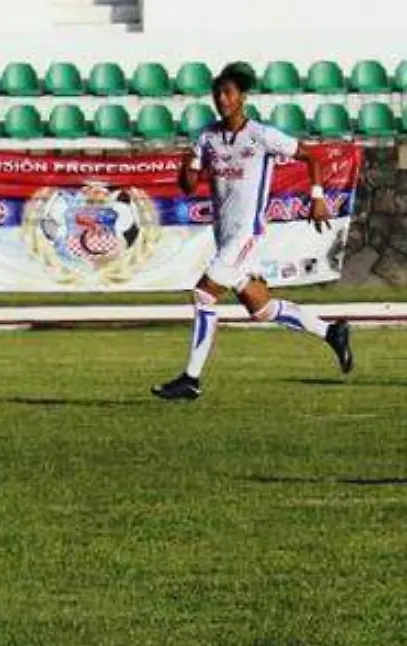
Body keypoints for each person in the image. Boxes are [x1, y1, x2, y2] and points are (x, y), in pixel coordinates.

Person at [151, 62, 354, 400]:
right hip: (224, 233)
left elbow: (312, 159)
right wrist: (187, 165)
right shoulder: (207, 137)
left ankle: (191, 378)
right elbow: (188, 186)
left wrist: (317, 197)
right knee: (260, 308)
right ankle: (331, 332)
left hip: (248, 233)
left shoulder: (261, 135)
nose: (221, 98)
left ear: (242, 97)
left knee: (203, 295)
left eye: (228, 92)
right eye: (217, 92)